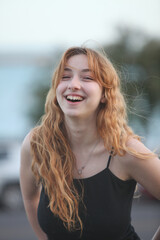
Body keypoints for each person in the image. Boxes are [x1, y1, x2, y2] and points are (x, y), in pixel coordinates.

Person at [20, 47, 160, 240]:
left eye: (87, 78)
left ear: (104, 94)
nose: (74, 85)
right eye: (65, 76)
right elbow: (29, 198)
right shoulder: (36, 144)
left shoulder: (125, 151)